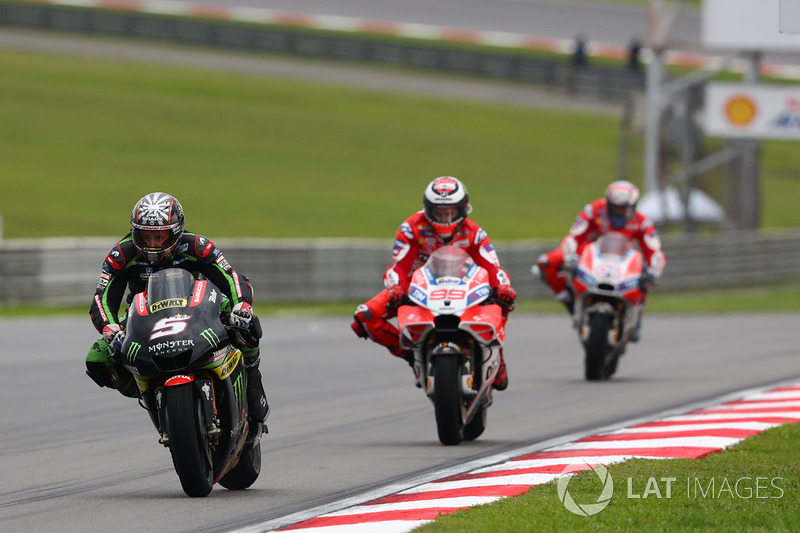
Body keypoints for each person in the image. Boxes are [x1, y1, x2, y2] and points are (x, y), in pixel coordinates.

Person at [85, 192, 270, 424]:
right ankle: (146, 389)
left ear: (175, 232)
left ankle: (252, 381)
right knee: (98, 358)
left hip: (201, 306)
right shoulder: (121, 254)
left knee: (247, 325)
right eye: (145, 236)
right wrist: (111, 329)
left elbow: (231, 277)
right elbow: (102, 298)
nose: (152, 244)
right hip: (143, 316)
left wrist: (241, 306)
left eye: (159, 237)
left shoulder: (197, 245)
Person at [350, 176, 517, 390]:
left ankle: (498, 355)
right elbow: (398, 267)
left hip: (464, 285)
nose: (445, 218)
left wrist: (503, 287)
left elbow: (493, 266)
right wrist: (396, 289)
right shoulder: (411, 228)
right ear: (428, 209)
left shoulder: (475, 232)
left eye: (451, 212)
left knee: (503, 299)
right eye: (439, 212)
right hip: (417, 286)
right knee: (365, 316)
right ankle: (412, 355)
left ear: (463, 209)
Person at [534, 180, 666, 337]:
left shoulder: (642, 221)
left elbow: (655, 250)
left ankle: (636, 316)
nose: (618, 212)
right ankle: (571, 300)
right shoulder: (593, 210)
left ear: (632, 207)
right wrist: (571, 257)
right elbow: (573, 236)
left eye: (623, 208)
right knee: (546, 263)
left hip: (623, 259)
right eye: (615, 207)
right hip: (590, 252)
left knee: (645, 278)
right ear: (608, 203)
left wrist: (654, 270)